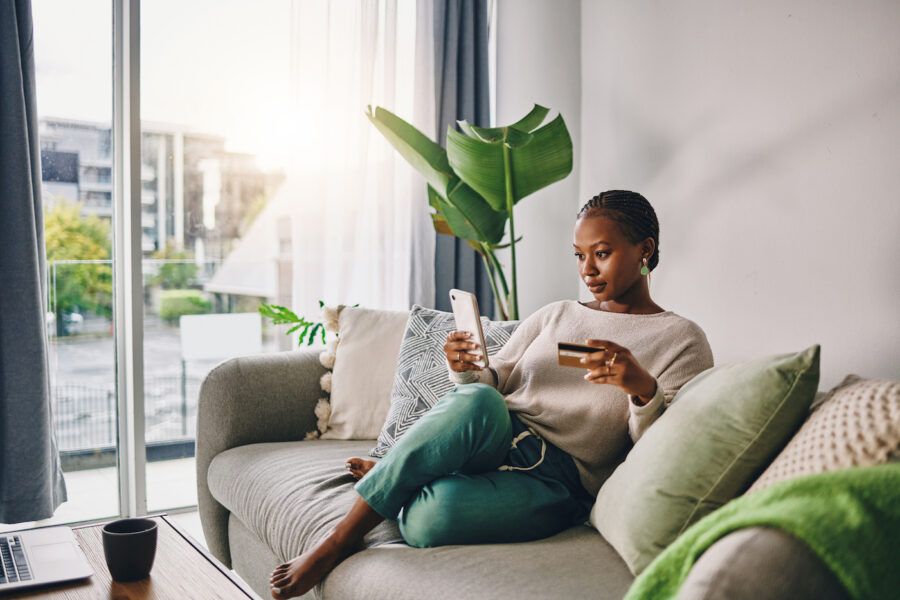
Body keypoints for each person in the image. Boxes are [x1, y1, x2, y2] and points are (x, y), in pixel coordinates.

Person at [268, 190, 715, 598]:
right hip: (496, 430)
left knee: (428, 522)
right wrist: (467, 368)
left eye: (602, 254)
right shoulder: (557, 314)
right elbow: (493, 384)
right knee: (480, 399)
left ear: (646, 250)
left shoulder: (681, 339)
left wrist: (641, 389)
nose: (587, 270)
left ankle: (405, 469)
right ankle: (336, 542)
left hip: (558, 482)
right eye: (579, 255)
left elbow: (662, 452)